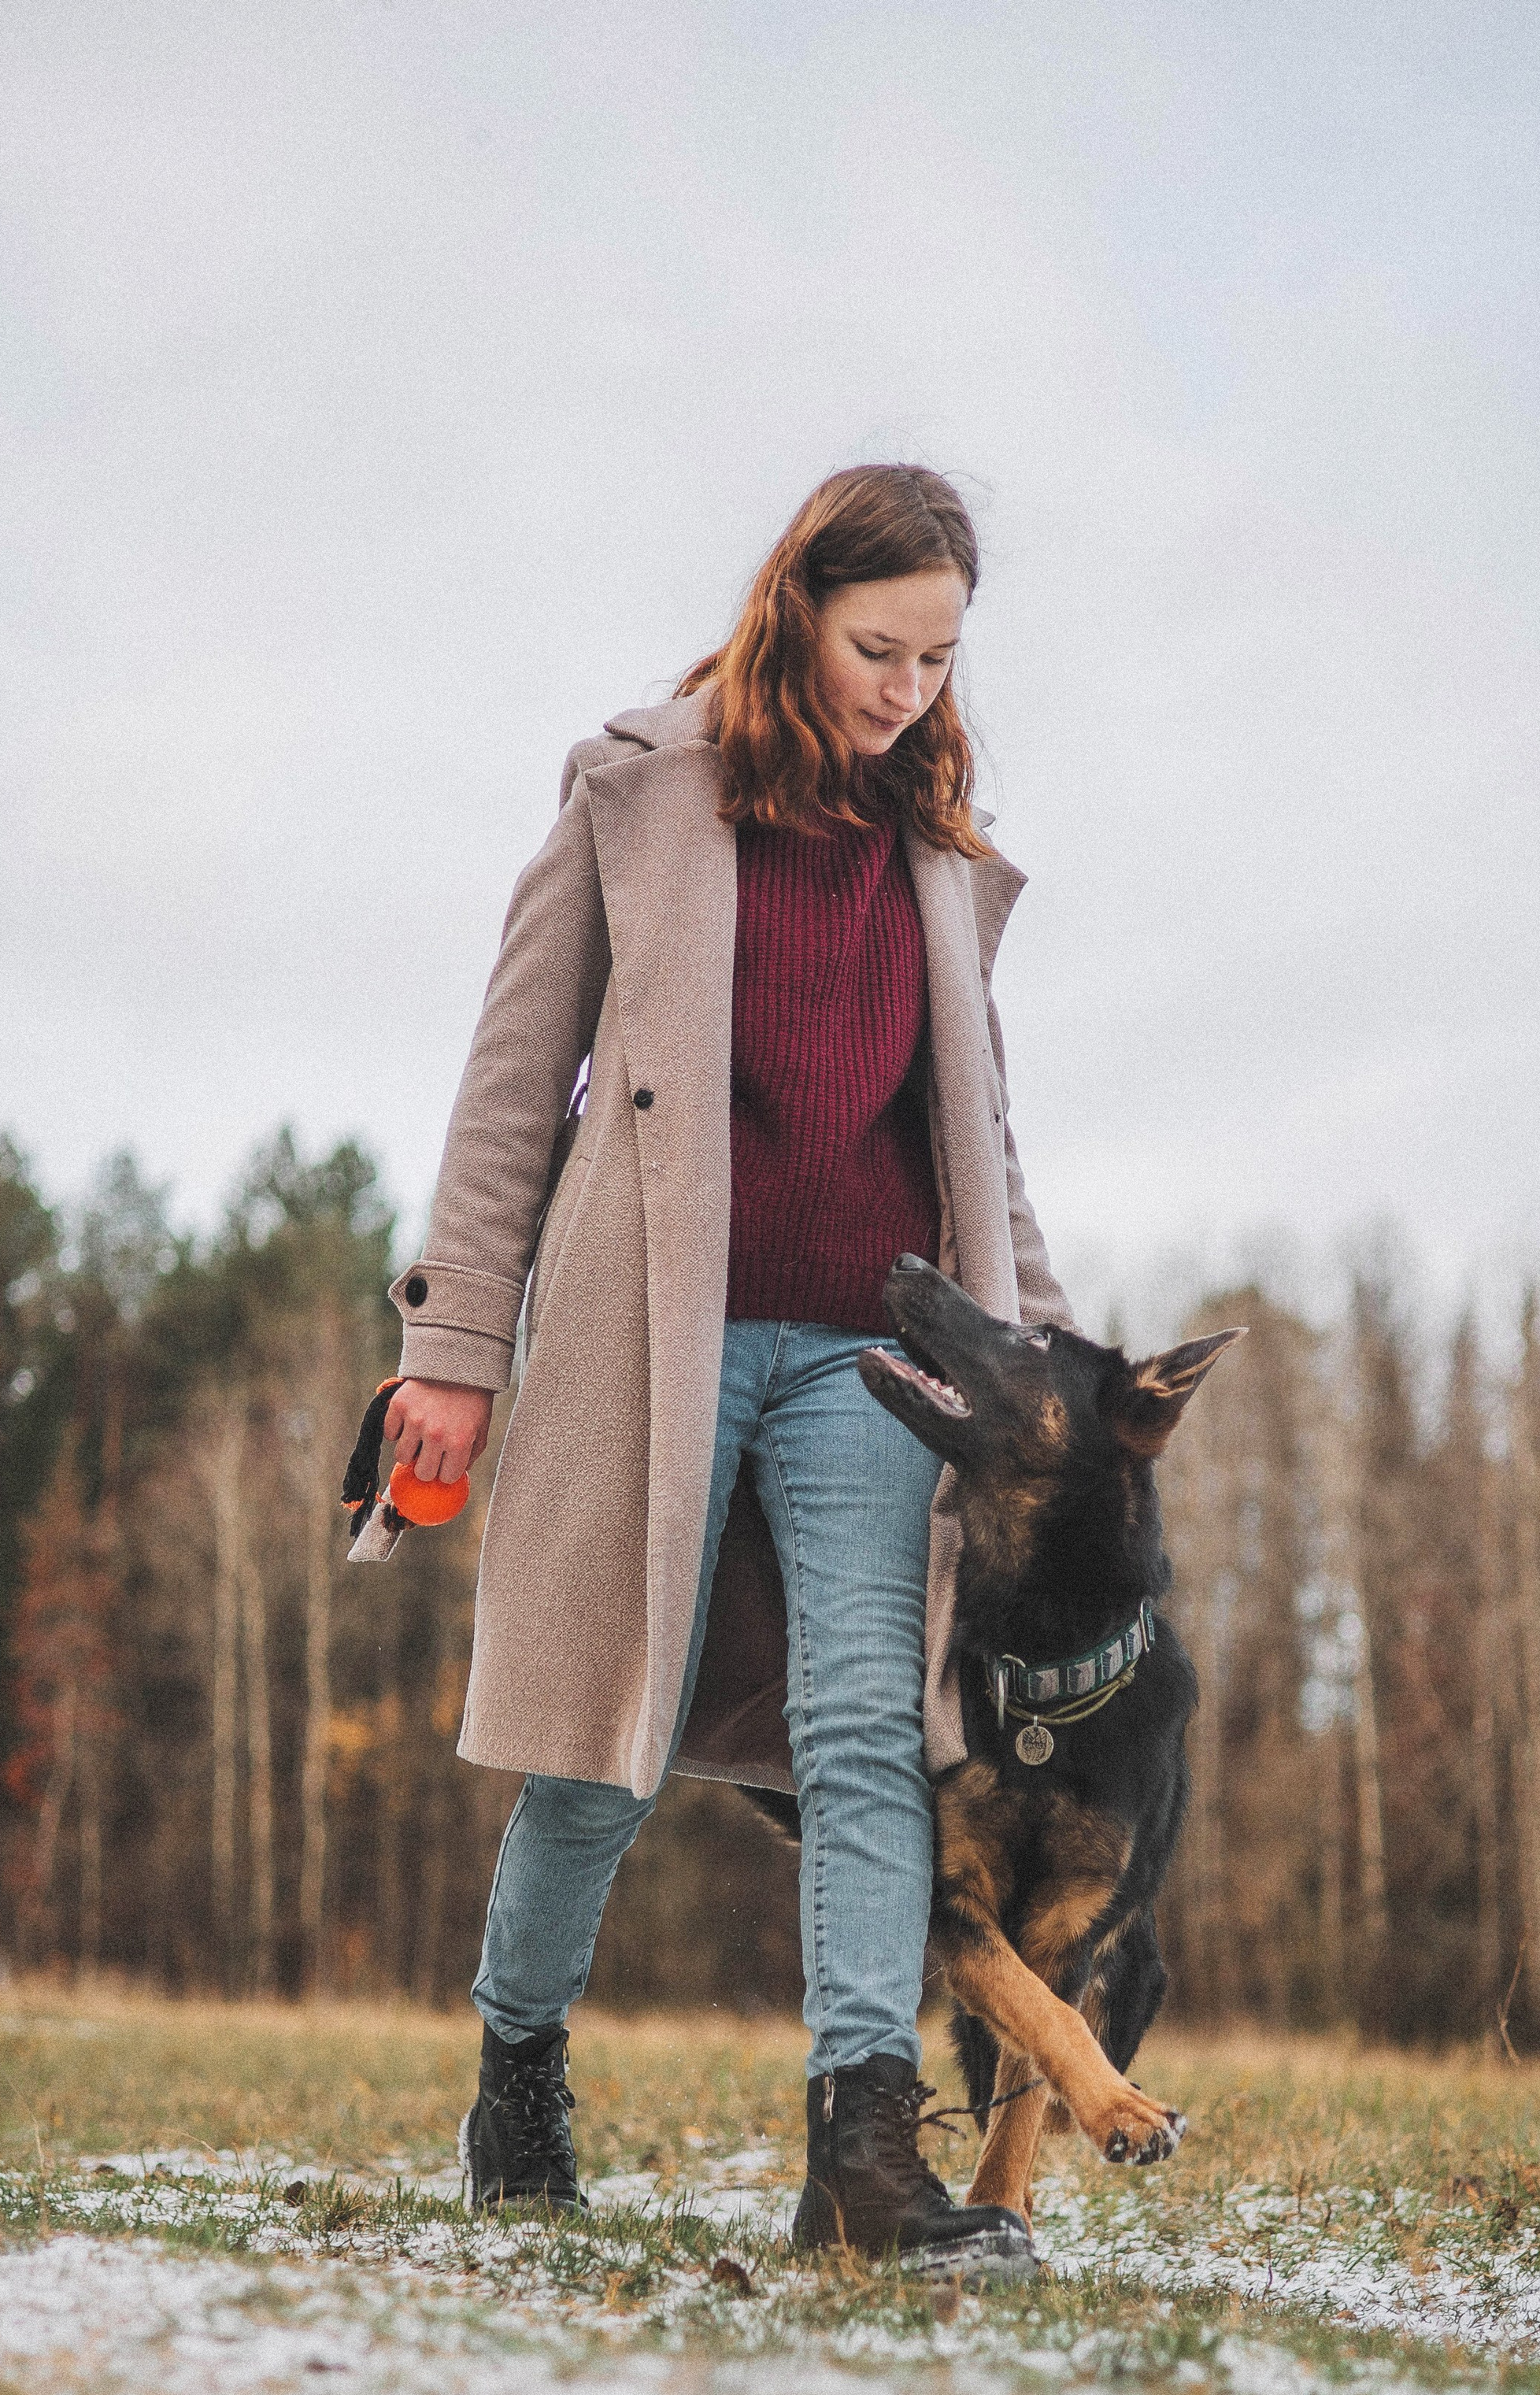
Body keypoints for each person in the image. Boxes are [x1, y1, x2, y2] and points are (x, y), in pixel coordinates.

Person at [384, 463, 1069, 2271]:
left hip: (871, 1353)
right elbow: (509, 1087)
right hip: (656, 1341)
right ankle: (517, 2073)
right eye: (876, 648)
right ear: (793, 608)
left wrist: (1047, 1369)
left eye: (936, 659)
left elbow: (980, 1140)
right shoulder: (639, 793)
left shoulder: (934, 850)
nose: (906, 691)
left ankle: (862, 2153)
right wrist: (452, 1344)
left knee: (868, 1738)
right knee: (600, 1750)